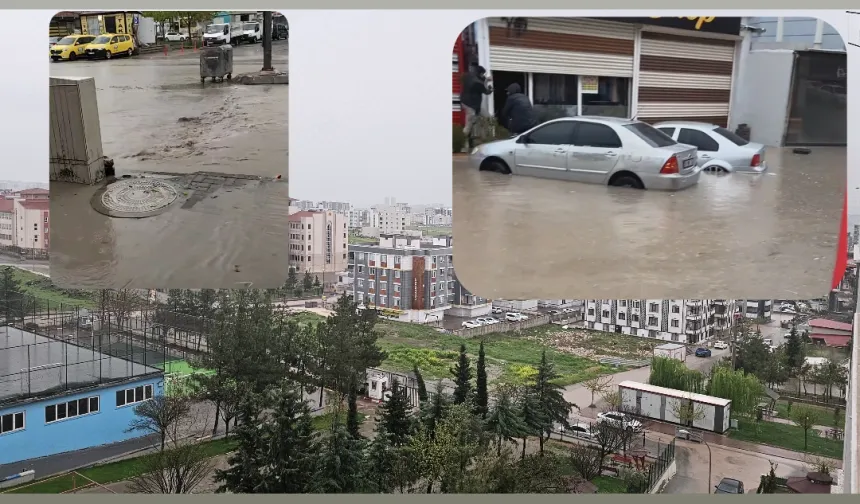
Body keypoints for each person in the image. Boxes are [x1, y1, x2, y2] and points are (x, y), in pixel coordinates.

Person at [460, 64, 494, 150]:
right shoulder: (477, 82)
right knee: (468, 126)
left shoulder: (469, 76)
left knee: (488, 117)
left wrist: (486, 79)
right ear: (479, 73)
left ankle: (484, 140)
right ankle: (461, 145)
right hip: (471, 106)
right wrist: (490, 88)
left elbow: (480, 82)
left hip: (467, 103)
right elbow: (486, 91)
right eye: (483, 74)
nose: (483, 75)